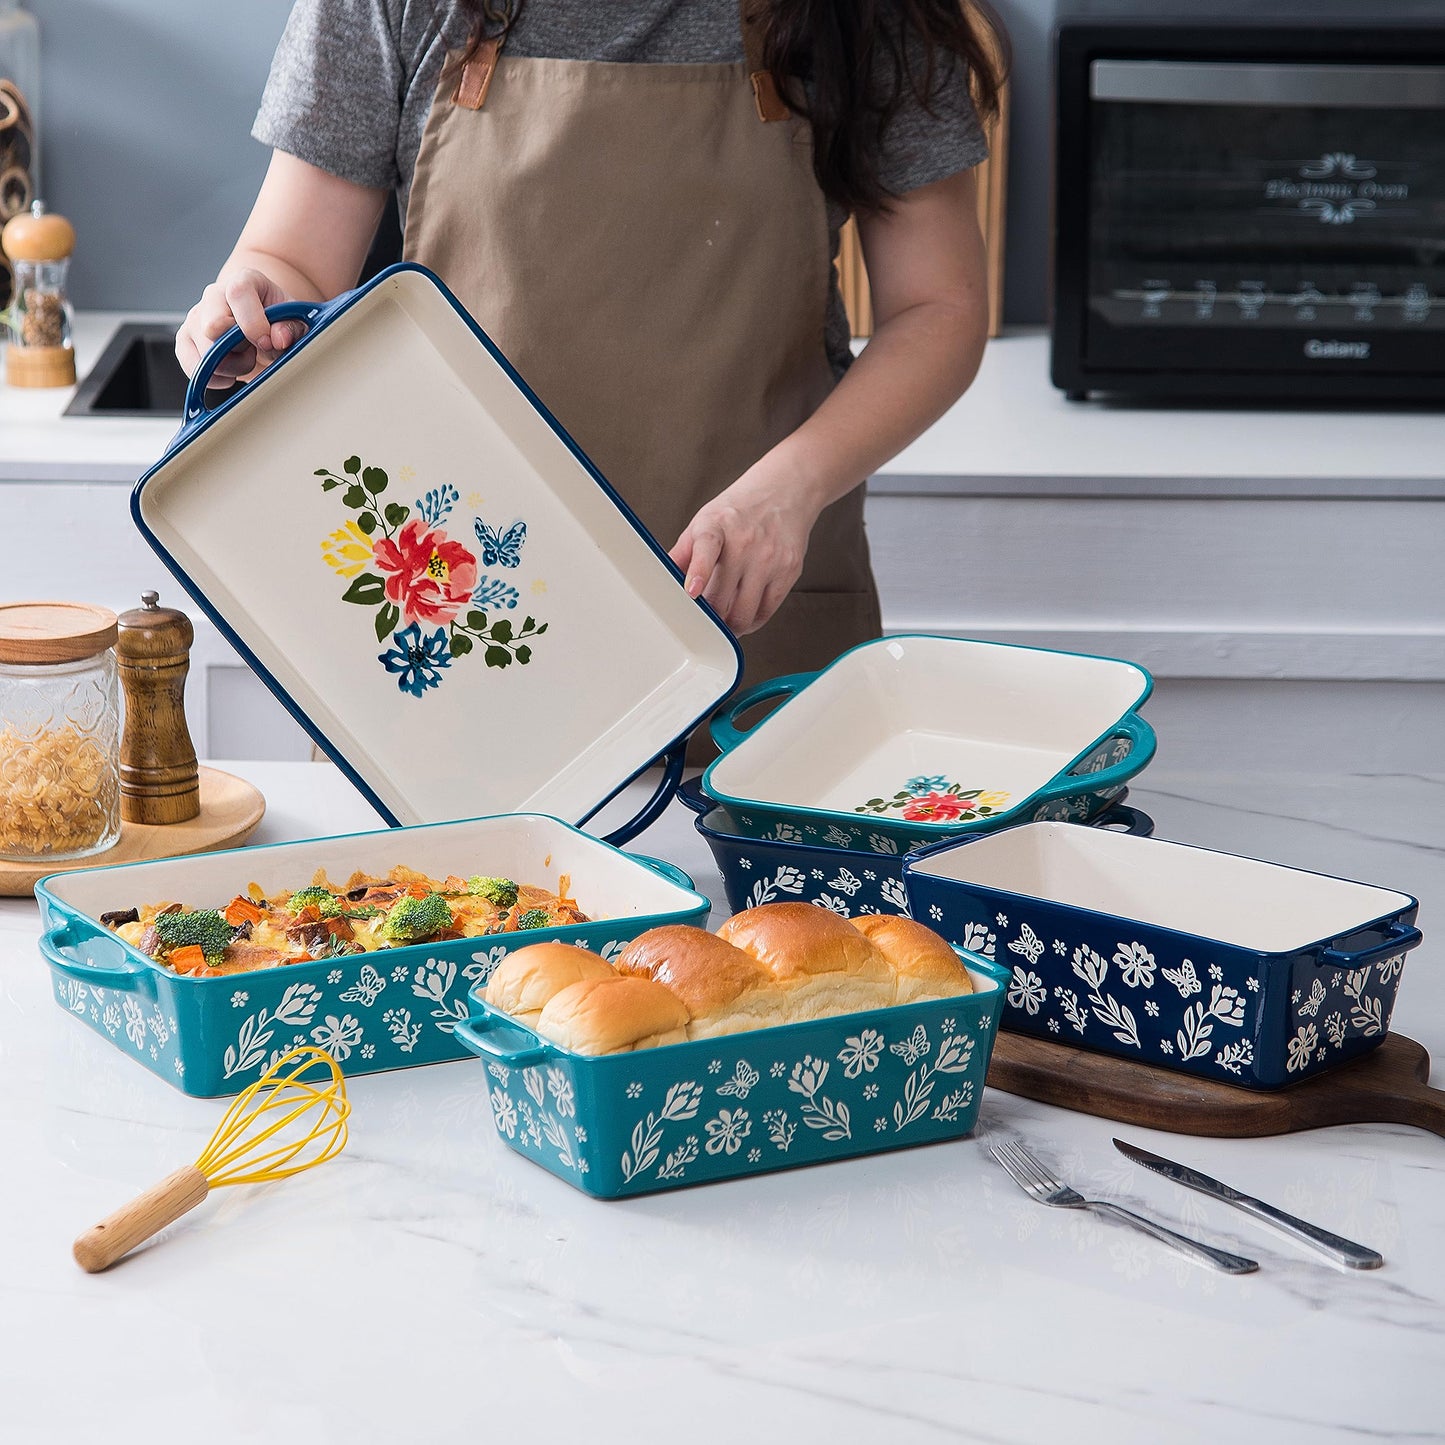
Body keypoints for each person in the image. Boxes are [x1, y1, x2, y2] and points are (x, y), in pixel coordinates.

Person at [177, 0, 1003, 703]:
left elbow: (938, 307)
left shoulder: (860, 11)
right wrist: (252, 310)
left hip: (748, 609)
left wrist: (791, 489)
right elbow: (292, 263)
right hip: (448, 620)